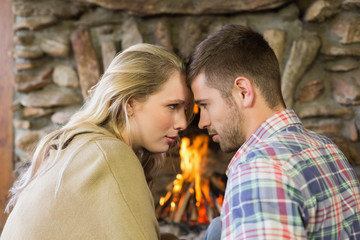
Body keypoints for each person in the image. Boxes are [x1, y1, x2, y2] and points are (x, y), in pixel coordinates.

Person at [1, 43, 193, 240]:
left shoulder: (85, 146)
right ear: (130, 103)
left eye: (184, 108)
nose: (183, 123)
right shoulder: (109, 155)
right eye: (172, 106)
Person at [187, 24, 360, 239]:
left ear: (243, 92)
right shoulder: (327, 148)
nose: (202, 121)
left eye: (205, 105)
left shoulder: (258, 170)